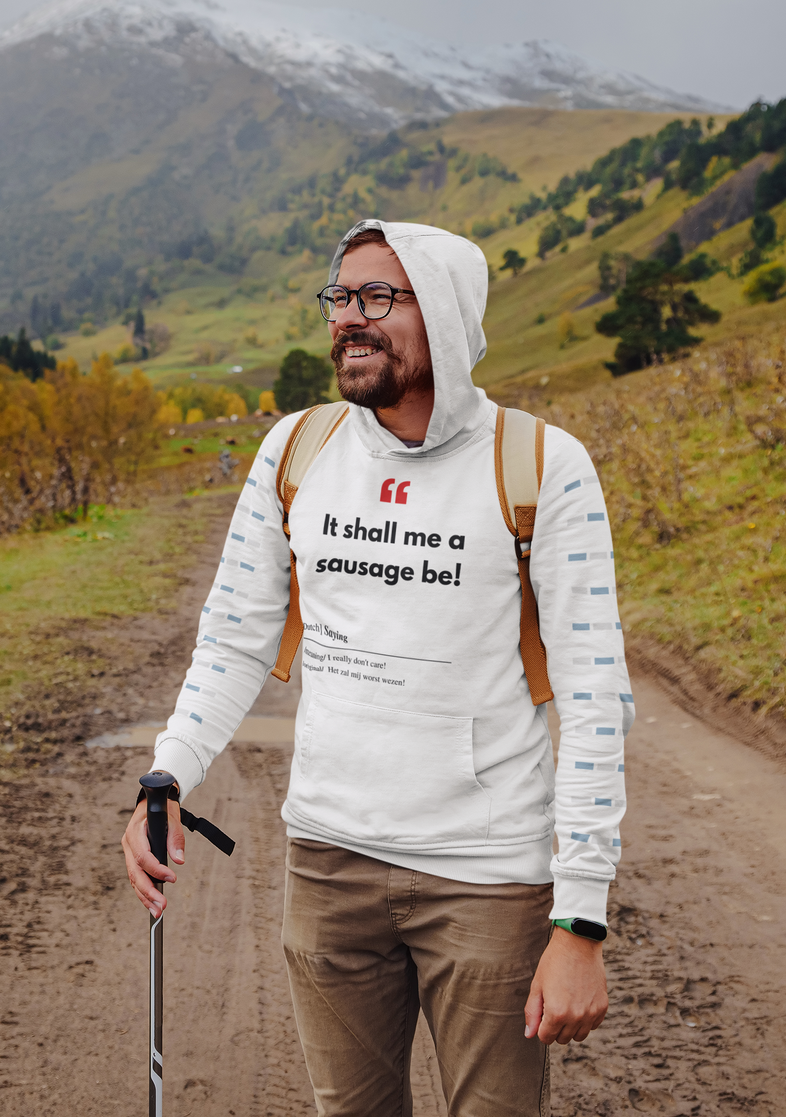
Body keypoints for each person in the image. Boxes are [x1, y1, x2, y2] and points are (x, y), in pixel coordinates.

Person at [122, 220, 633, 1116]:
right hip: (328, 865)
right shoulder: (294, 450)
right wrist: (167, 772)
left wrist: (580, 918)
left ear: (442, 309)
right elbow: (233, 637)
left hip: (489, 878)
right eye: (340, 298)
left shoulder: (543, 466)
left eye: (377, 298)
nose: (348, 319)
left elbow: (595, 696)